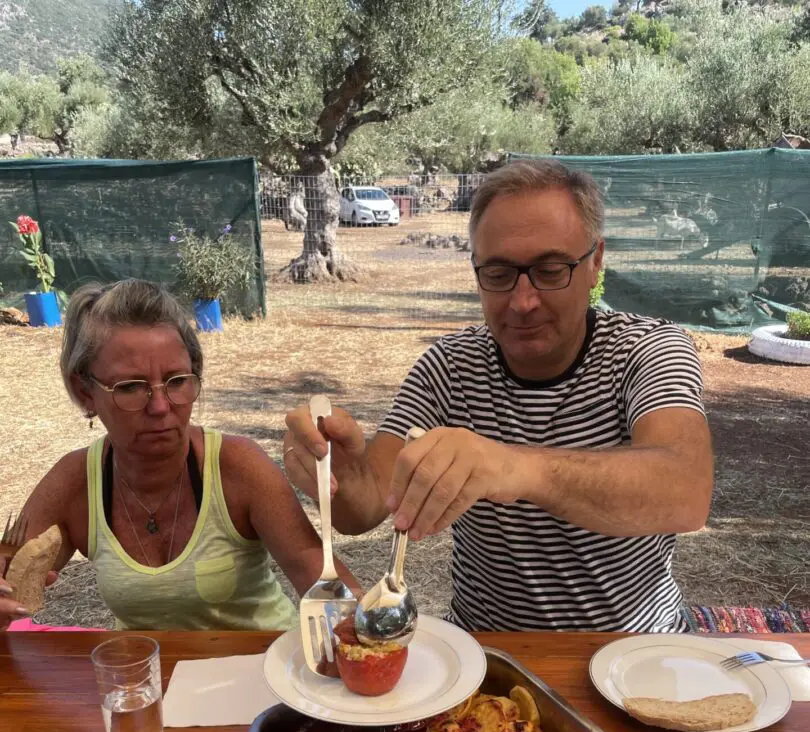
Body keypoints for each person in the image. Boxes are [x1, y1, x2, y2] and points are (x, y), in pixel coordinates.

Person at [283, 160, 712, 632]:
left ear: (595, 263)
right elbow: (365, 506)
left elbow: (685, 492)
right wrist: (341, 474)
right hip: (485, 651)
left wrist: (513, 467)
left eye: (550, 270)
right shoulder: (451, 367)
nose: (522, 302)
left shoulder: (647, 349)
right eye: (499, 273)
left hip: (635, 648)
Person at [0, 279, 356, 631]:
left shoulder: (237, 466)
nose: (160, 406)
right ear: (85, 391)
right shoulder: (77, 482)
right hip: (147, 667)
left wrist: (365, 626)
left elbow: (322, 580)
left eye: (177, 381)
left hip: (261, 660)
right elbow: (10, 576)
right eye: (130, 387)